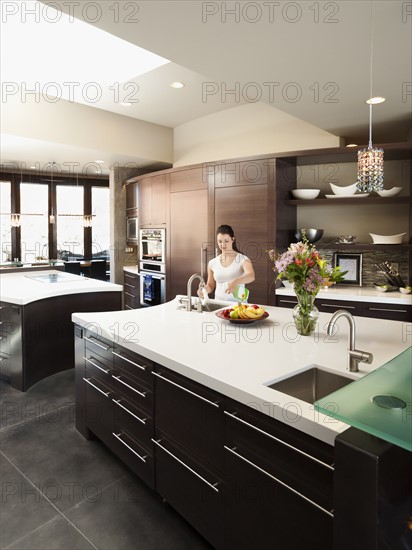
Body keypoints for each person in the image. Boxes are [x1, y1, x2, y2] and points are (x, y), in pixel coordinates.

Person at [199, 224, 255, 302]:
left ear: (233, 239)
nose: (223, 245)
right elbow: (210, 286)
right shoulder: (212, 263)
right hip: (219, 305)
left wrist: (236, 281)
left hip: (238, 306)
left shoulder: (243, 259)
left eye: (226, 241)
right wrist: (204, 290)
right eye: (220, 241)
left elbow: (251, 276)